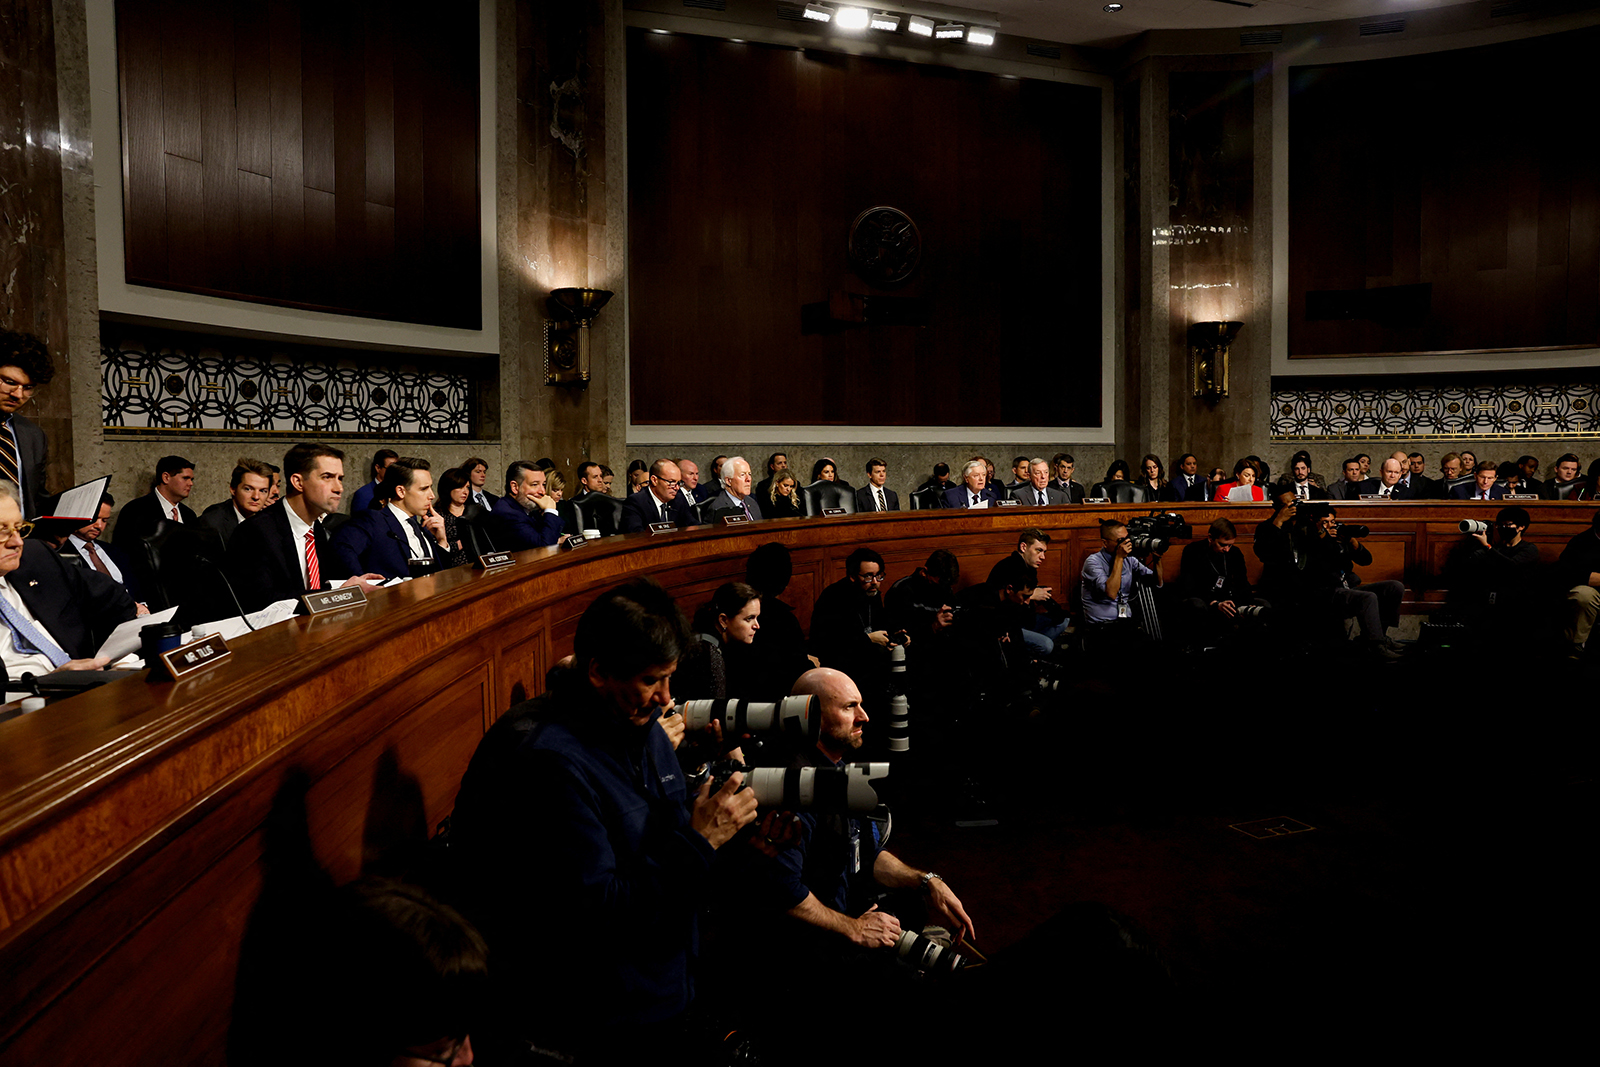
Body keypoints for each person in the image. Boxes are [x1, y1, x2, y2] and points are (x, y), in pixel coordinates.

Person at [448, 580, 759, 1058]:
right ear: (598, 672)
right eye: (652, 680)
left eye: (670, 679)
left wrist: (736, 834)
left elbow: (673, 836)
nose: (665, 698)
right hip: (607, 1015)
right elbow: (600, 912)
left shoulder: (642, 726)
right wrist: (702, 841)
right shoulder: (549, 762)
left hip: (669, 982)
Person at [225, 444, 384, 615]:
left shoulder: (317, 528)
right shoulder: (255, 531)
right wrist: (338, 594)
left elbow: (319, 586)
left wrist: (351, 585)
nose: (339, 488)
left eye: (340, 478)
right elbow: (262, 603)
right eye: (327, 477)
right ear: (298, 482)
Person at [0, 482, 137, 679]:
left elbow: (112, 597)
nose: (17, 542)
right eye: (3, 531)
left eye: (19, 529)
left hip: (83, 683)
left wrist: (113, 655)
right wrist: (52, 681)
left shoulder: (35, 558)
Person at [1300, 504, 1404, 659]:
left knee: (1394, 587)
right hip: (1327, 593)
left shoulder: (1339, 541)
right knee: (1368, 597)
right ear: (1316, 524)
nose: (1331, 526)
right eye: (1325, 522)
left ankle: (1380, 636)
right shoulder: (1310, 541)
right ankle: (1375, 645)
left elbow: (1366, 560)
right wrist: (1328, 539)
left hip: (1346, 589)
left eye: (1333, 522)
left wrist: (1351, 541)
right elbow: (1324, 563)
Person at [810, 547, 902, 721]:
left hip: (869, 669)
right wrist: (867, 639)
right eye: (867, 576)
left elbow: (878, 624)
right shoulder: (833, 598)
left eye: (879, 576)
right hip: (842, 672)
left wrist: (893, 635)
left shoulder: (872, 594)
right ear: (852, 576)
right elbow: (826, 643)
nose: (874, 582)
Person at [333, 457, 450, 579]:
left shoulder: (422, 527)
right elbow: (341, 548)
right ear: (401, 491)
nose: (432, 495)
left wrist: (442, 541)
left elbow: (441, 575)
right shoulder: (373, 520)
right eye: (424, 489)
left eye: (431, 487)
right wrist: (363, 584)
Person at [1447, 505, 1539, 634]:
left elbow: (1511, 566)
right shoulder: (1497, 548)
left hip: (1517, 602)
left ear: (1521, 527)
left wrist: (1487, 546)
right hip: (1490, 599)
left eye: (1508, 525)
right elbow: (1470, 563)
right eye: (1500, 525)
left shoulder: (1529, 549)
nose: (1503, 528)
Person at [1176, 517, 1266, 648]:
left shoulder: (1234, 553)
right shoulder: (1193, 551)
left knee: (1263, 605)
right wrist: (1214, 603)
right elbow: (1189, 586)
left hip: (1230, 599)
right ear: (1210, 538)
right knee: (1196, 605)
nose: (1227, 549)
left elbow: (1242, 581)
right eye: (1223, 545)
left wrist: (1248, 602)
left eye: (1230, 545)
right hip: (1205, 599)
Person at [1080, 518, 1164, 652]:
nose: (1126, 544)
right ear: (1105, 543)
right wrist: (1119, 558)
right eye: (1120, 541)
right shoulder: (1093, 562)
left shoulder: (1129, 559)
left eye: (1127, 538)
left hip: (1125, 624)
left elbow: (1157, 582)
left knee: (1156, 649)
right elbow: (1112, 593)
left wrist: (1157, 560)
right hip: (1101, 627)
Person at [0, 330, 55, 519]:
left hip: (21, 539)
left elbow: (37, 498)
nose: (18, 394)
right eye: (9, 382)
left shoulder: (33, 435)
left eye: (28, 387)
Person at [676, 581, 762, 701]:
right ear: (723, 620)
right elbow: (716, 710)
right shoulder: (709, 653)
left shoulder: (706, 640)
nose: (757, 626)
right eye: (749, 619)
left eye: (757, 618)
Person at [65, 493, 145, 607]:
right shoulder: (62, 553)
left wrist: (143, 606)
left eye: (104, 520)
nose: (99, 526)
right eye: (94, 518)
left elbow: (135, 586)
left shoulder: (114, 551)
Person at [114, 454, 199, 544]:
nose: (190, 483)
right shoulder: (135, 510)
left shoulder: (190, 515)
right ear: (166, 478)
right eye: (185, 478)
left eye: (191, 479)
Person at [198, 458, 275, 552]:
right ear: (233, 489)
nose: (256, 497)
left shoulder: (268, 522)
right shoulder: (213, 522)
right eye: (248, 489)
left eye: (263, 491)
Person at [488, 461, 564, 549]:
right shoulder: (508, 514)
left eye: (543, 485)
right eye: (534, 485)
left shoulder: (526, 508)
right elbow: (544, 548)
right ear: (515, 487)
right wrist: (551, 511)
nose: (542, 491)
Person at [1557, 511, 1600, 659]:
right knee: (1583, 595)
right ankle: (1576, 645)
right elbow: (1568, 572)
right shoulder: (1581, 541)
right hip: (1591, 589)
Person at [435, 465, 491, 568]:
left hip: (478, 566)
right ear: (449, 488)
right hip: (450, 568)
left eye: (467, 487)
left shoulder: (476, 511)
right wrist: (460, 544)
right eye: (460, 487)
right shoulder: (437, 515)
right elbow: (434, 549)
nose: (465, 492)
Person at [620, 458, 697, 532]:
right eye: (671, 482)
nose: (676, 488)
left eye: (678, 483)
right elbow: (636, 534)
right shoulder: (636, 502)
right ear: (654, 480)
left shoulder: (678, 499)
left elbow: (693, 525)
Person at [707, 455, 761, 521]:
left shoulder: (752, 502)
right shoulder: (718, 508)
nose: (748, 479)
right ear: (728, 481)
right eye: (742, 475)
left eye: (749, 474)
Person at [349, 449, 400, 513]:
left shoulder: (400, 492)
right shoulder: (363, 494)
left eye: (396, 468)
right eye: (390, 468)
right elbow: (359, 521)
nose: (394, 472)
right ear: (378, 468)